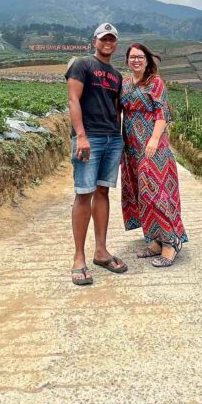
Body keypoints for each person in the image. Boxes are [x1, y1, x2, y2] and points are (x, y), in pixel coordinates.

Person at [66, 22, 128, 286]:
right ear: (95, 41)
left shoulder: (116, 75)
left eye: (112, 39)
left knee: (102, 192)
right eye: (104, 38)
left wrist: (120, 139)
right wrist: (80, 135)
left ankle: (101, 251)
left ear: (116, 44)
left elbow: (117, 110)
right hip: (89, 137)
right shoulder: (82, 65)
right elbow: (73, 100)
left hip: (112, 138)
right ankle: (78, 258)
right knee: (84, 193)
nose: (108, 42)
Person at [120, 42, 187, 267]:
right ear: (127, 60)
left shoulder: (155, 83)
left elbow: (162, 113)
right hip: (132, 147)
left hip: (152, 146)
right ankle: (156, 240)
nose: (136, 60)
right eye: (132, 57)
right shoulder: (126, 83)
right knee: (142, 193)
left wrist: (154, 139)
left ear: (147, 60)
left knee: (155, 193)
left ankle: (171, 242)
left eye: (140, 57)